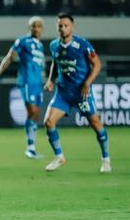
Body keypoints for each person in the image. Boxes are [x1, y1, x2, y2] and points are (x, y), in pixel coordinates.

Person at [43, 14, 111, 173]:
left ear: (72, 27)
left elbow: (97, 64)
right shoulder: (54, 45)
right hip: (63, 93)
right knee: (48, 122)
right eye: (60, 25)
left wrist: (87, 83)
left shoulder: (82, 45)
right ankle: (59, 156)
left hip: (81, 93)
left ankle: (106, 159)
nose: (63, 28)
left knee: (95, 124)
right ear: (57, 27)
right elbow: (55, 62)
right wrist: (50, 80)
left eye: (66, 25)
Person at [0, 16, 45, 158]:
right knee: (31, 111)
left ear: (42, 29)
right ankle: (29, 148)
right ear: (29, 28)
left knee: (36, 113)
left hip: (37, 83)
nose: (36, 28)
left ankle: (32, 146)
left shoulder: (40, 46)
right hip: (26, 81)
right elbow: (9, 57)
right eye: (33, 26)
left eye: (38, 26)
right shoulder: (23, 41)